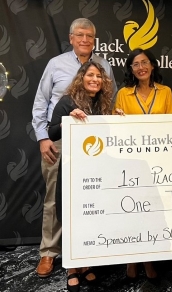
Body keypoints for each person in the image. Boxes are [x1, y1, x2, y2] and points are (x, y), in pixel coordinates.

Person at [32, 18, 117, 279]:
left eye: (89, 36)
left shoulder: (104, 65)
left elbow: (108, 99)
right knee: (55, 198)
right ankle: (49, 251)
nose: (84, 39)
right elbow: (40, 102)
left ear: (94, 40)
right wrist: (43, 137)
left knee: (90, 197)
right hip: (58, 140)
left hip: (94, 146)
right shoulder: (55, 64)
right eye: (79, 35)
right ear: (71, 38)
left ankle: (86, 250)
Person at [48, 61, 114, 291]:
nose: (94, 79)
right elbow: (52, 130)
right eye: (90, 75)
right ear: (81, 77)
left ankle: (85, 264)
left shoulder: (103, 104)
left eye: (99, 76)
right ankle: (71, 268)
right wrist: (69, 120)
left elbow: (108, 134)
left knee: (89, 216)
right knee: (71, 217)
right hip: (72, 168)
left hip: (95, 169)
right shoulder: (67, 101)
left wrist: (118, 118)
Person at [113, 48, 172, 281]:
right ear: (131, 69)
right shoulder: (123, 94)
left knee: (151, 211)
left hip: (158, 159)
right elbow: (115, 131)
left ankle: (148, 258)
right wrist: (116, 118)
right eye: (136, 64)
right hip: (132, 161)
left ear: (152, 65)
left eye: (145, 62)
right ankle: (131, 258)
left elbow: (171, 125)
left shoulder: (166, 92)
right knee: (131, 209)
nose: (141, 67)